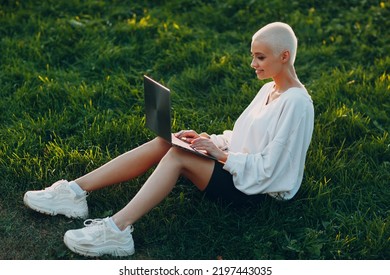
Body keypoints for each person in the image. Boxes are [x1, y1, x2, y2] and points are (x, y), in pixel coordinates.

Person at [23, 22, 314, 257]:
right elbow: (243, 138)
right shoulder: (269, 90)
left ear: (284, 56)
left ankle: (117, 230)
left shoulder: (297, 104)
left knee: (176, 157)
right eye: (253, 55)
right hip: (240, 170)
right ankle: (73, 192)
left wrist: (221, 156)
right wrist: (207, 141)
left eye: (260, 57)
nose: (253, 63)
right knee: (169, 141)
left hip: (256, 192)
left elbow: (272, 170)